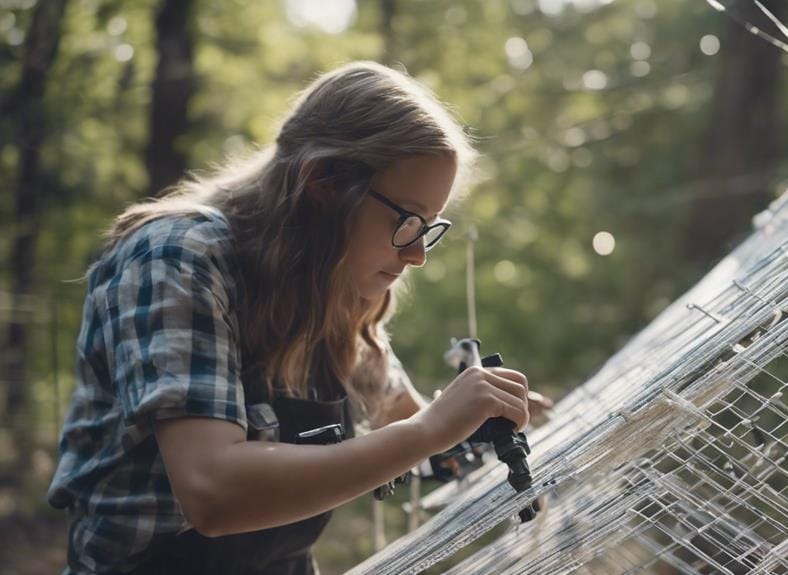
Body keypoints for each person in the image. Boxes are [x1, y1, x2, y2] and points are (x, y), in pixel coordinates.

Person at [47, 61, 537, 574]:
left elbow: (400, 414)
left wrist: (483, 422)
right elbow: (213, 489)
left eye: (429, 227)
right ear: (321, 183)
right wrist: (429, 431)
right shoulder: (176, 259)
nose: (417, 255)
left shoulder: (335, 284)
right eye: (406, 221)